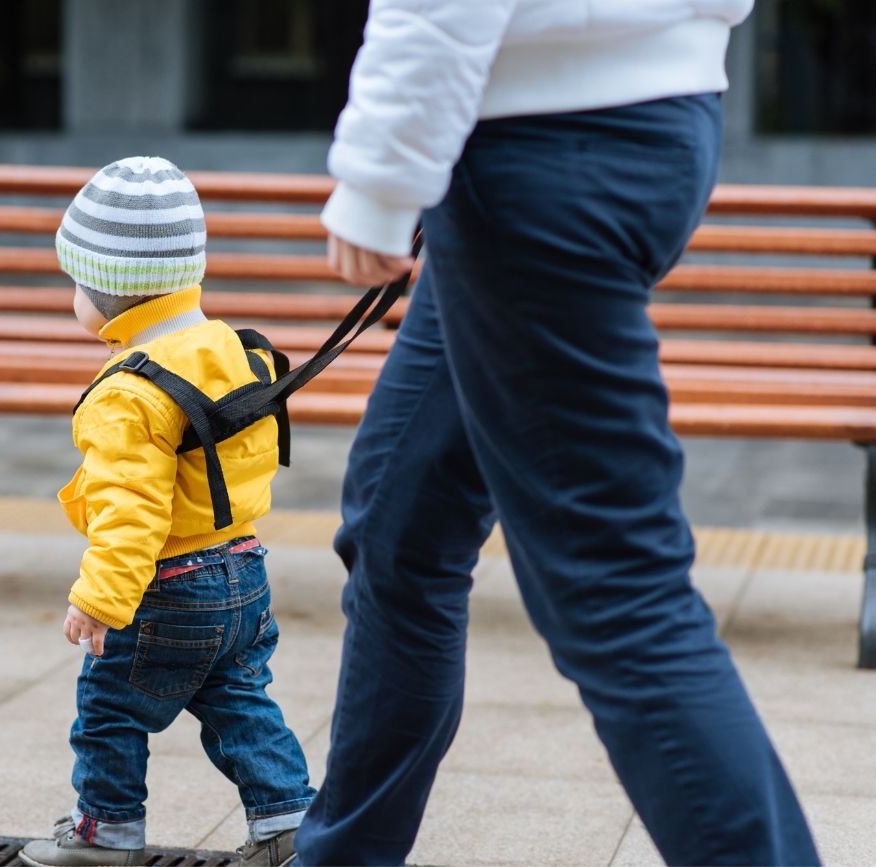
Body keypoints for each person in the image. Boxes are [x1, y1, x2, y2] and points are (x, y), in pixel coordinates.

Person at [294, 2, 822, 865]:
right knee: (400, 525)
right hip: (622, 126)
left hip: (544, 149)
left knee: (620, 592)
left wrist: (381, 179)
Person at [19, 156, 315, 867]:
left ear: (111, 294)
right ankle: (290, 824)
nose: (73, 298)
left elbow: (132, 513)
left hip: (167, 584)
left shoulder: (127, 393)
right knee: (239, 698)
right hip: (244, 568)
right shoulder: (232, 349)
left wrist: (99, 599)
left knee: (110, 709)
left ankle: (106, 833)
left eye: (76, 284)